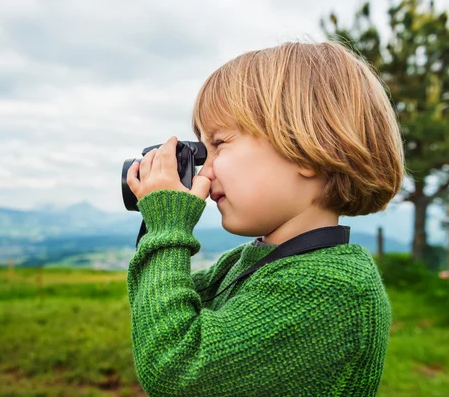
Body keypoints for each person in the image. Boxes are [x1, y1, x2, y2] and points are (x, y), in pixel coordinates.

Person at [125, 41, 405, 396]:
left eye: (220, 144)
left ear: (307, 150)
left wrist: (168, 224)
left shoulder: (335, 287)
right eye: (201, 152)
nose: (204, 173)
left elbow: (175, 370)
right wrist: (157, 222)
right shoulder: (246, 262)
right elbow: (157, 313)